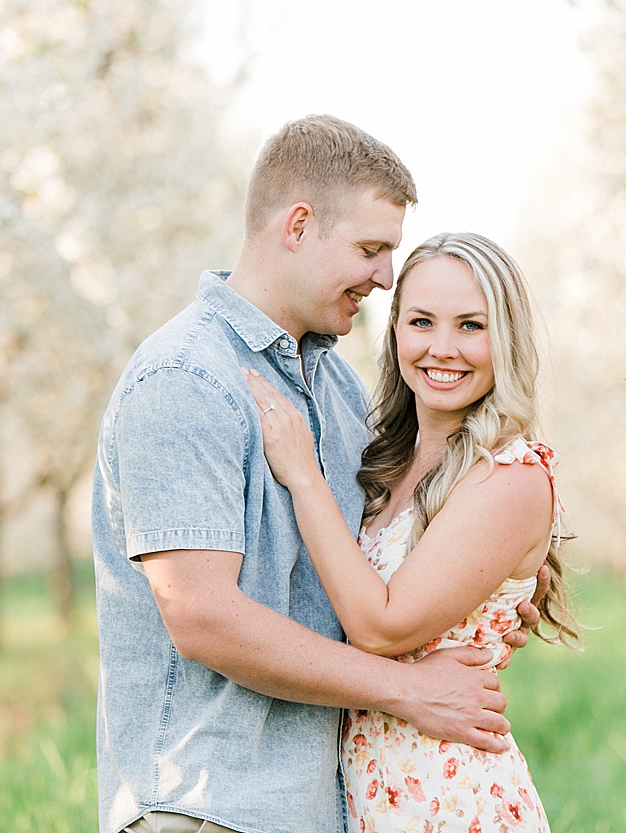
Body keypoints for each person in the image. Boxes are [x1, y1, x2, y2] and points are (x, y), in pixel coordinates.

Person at [91, 117, 542, 833]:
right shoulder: (186, 377)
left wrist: (485, 593)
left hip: (324, 805)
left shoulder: (337, 391)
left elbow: (381, 564)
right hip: (205, 805)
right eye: (371, 249)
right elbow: (203, 615)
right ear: (298, 225)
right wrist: (408, 687)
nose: (385, 277)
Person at [244, 231, 581, 832]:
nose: (442, 348)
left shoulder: (510, 476)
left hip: (447, 799)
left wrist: (303, 476)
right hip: (368, 790)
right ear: (395, 329)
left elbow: (380, 626)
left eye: (471, 326)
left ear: (506, 338)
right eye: (421, 321)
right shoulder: (386, 462)